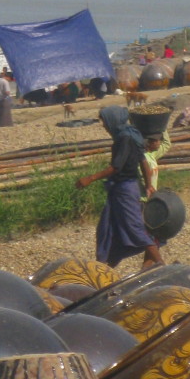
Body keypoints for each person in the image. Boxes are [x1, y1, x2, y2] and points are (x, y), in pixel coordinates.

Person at [76, 105, 164, 269]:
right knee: (108, 230)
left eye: (105, 122)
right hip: (122, 190)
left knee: (135, 228)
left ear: (113, 121)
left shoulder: (124, 138)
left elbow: (115, 167)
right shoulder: (133, 135)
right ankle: (104, 270)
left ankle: (161, 265)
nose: (104, 126)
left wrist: (90, 178)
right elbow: (143, 161)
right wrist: (149, 185)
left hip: (124, 189)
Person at [140, 130, 171, 199]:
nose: (159, 143)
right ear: (148, 143)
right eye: (157, 141)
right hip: (142, 198)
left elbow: (166, 144)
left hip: (149, 197)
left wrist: (162, 127)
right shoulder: (142, 159)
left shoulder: (152, 154)